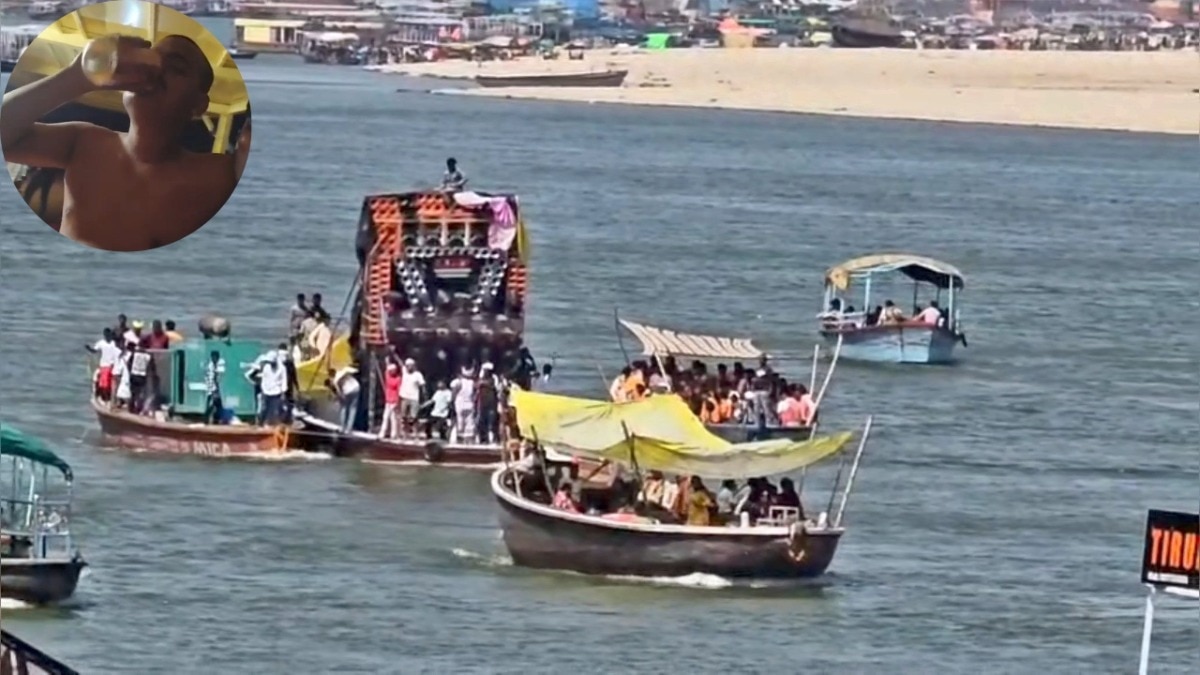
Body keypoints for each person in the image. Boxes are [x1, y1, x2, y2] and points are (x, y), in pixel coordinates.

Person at [0, 34, 251, 251]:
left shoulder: (222, 176)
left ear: (198, 105)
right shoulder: (84, 143)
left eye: (175, 67)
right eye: (150, 60)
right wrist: (78, 77)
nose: (155, 70)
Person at [86, 327, 121, 401]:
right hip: (104, 365)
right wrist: (89, 348)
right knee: (104, 384)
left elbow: (120, 352)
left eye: (109, 335)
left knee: (110, 383)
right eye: (106, 335)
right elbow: (95, 350)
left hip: (112, 365)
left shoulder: (114, 343)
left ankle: (109, 397)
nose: (107, 336)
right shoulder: (101, 343)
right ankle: (105, 397)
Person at [256, 348, 287, 425]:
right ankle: (260, 424)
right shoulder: (266, 367)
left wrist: (283, 392)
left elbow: (284, 381)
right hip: (266, 391)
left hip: (277, 392)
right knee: (263, 409)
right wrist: (263, 389)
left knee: (276, 411)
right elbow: (264, 379)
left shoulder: (282, 368)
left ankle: (274, 425)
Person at [398, 357, 425, 435]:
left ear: (413, 366)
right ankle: (405, 433)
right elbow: (399, 361)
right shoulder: (404, 372)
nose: (408, 367)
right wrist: (393, 352)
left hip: (414, 398)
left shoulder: (418, 375)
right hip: (404, 397)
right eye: (407, 366)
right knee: (404, 416)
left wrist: (424, 397)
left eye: (410, 366)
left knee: (413, 417)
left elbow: (422, 386)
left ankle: (415, 433)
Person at [329, 365, 360, 432]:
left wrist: (340, 398)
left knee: (343, 408)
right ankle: (349, 429)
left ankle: (342, 427)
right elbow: (353, 371)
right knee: (353, 409)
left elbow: (339, 392)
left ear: (331, 376)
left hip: (348, 391)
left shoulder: (335, 380)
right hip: (356, 387)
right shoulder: (342, 371)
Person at [380, 361, 401, 440]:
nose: (392, 372)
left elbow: (399, 391)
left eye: (393, 370)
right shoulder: (388, 376)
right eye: (391, 370)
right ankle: (382, 433)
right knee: (385, 417)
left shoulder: (398, 379)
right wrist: (387, 360)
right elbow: (386, 368)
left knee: (393, 418)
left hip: (394, 401)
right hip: (388, 401)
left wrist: (397, 402)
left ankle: (394, 434)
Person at [203, 349, 225, 424]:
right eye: (216, 357)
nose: (217, 359)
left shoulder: (213, 365)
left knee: (216, 405)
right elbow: (213, 378)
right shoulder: (211, 366)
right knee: (213, 405)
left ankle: (214, 419)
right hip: (212, 389)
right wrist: (215, 390)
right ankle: (209, 420)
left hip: (212, 389)